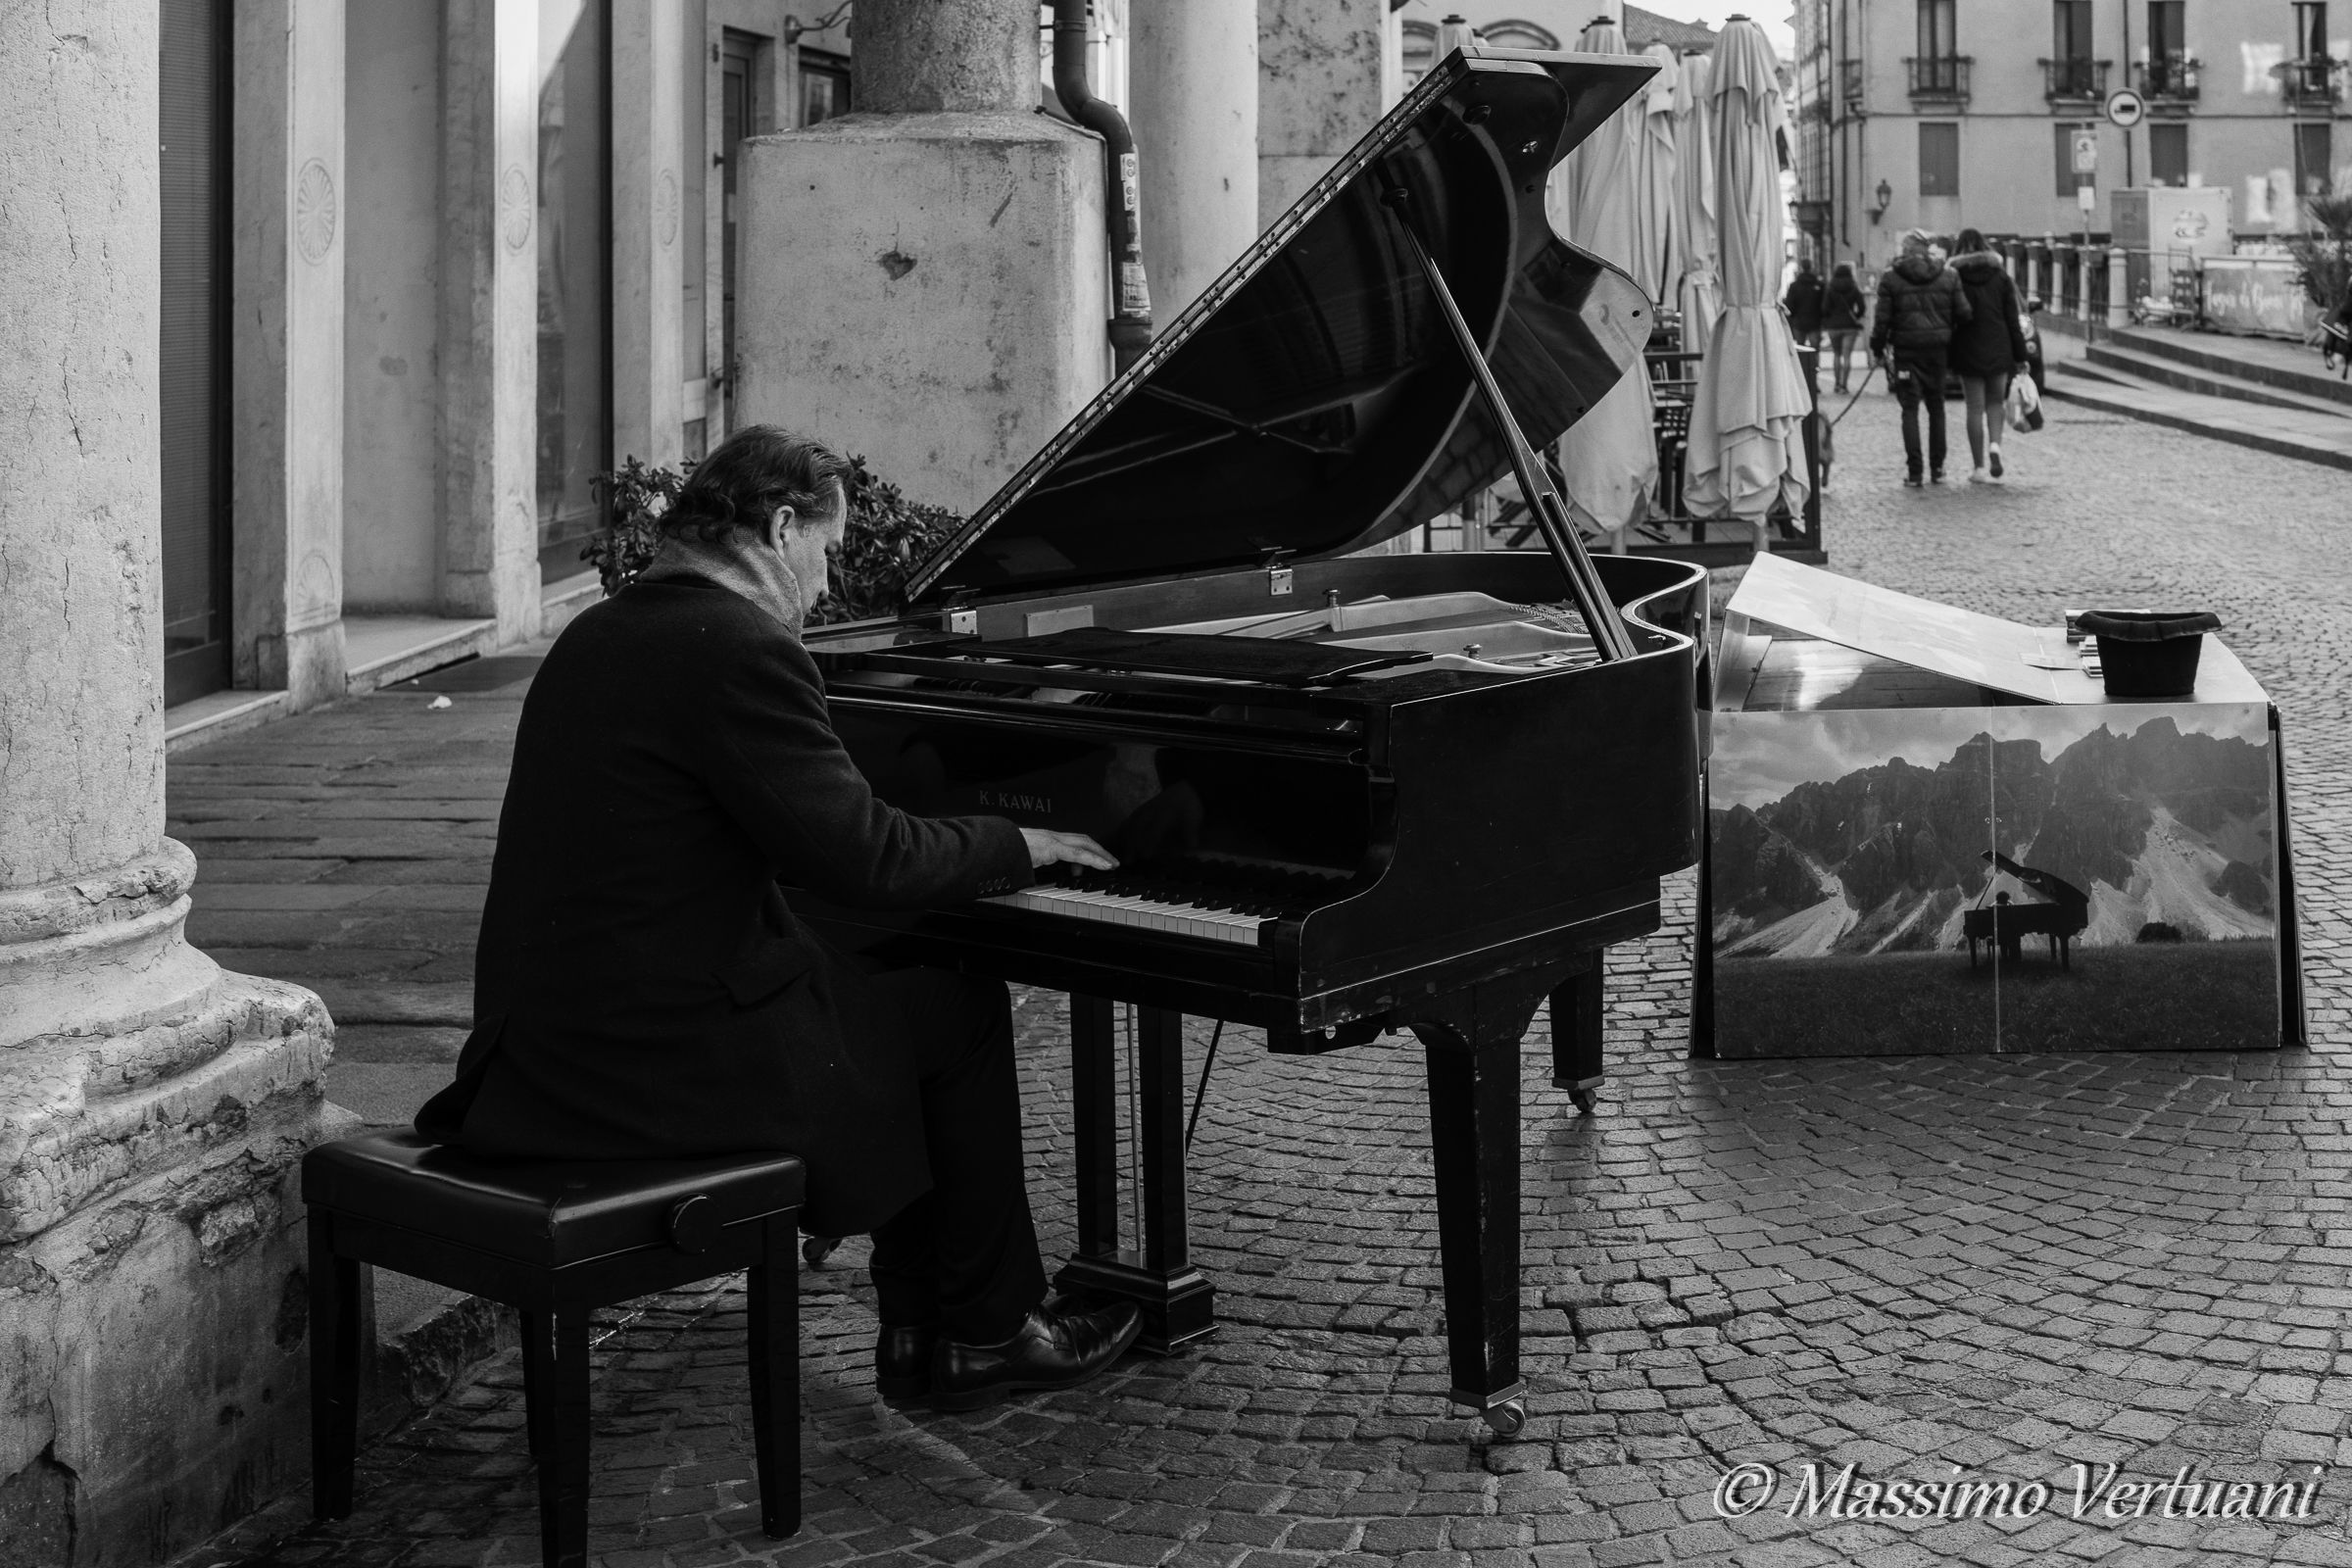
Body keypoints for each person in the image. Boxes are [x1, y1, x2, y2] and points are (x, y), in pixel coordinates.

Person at [416, 424, 1144, 1413]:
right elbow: (867, 856)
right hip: (645, 1068)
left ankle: (919, 1323)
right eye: (828, 550)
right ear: (781, 524)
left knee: (888, 981)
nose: (829, 581)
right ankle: (983, 1331)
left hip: (552, 1044)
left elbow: (757, 855)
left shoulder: (604, 630)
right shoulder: (737, 646)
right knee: (954, 1004)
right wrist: (1018, 844)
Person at [1870, 227, 1972, 486]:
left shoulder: (1891, 278)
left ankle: (1915, 472)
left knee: (1910, 409)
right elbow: (1964, 314)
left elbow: (1882, 320)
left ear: (1906, 250)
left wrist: (1878, 347)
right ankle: (1937, 469)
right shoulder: (1948, 275)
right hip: (1937, 350)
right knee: (1936, 407)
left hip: (1906, 351)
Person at [1947, 228, 2030, 483]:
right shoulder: (2001, 277)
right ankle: (1995, 445)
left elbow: (1950, 317)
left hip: (1968, 347)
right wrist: (2020, 355)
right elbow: (2013, 320)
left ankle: (1979, 467)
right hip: (1999, 347)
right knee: (1996, 402)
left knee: (1974, 407)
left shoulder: (1954, 277)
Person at [1822, 263, 1869, 393]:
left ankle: (1836, 384)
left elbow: (1824, 308)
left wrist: (1829, 318)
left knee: (1836, 355)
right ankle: (1844, 385)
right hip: (1850, 326)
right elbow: (1862, 307)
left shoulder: (1830, 288)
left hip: (1834, 326)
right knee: (1847, 356)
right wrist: (1856, 316)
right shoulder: (1854, 288)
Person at [1784, 257, 1826, 351]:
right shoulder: (1819, 285)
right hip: (1815, 321)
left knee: (1800, 348)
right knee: (1815, 349)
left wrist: (1793, 317)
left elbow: (1789, 305)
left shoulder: (1794, 286)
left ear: (1801, 268)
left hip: (1799, 321)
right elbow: (1824, 304)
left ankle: (1803, 365)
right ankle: (1815, 365)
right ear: (1811, 268)